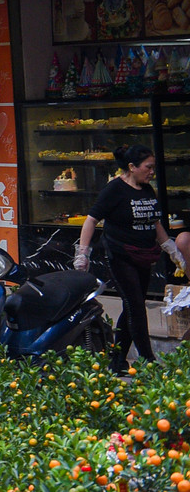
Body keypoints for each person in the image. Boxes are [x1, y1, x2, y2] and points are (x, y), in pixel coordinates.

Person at [77, 144, 187, 373]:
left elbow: (154, 222)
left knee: (131, 308)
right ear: (132, 167)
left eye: (153, 167)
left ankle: (117, 362)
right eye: (148, 167)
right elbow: (91, 220)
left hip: (144, 255)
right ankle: (148, 361)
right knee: (136, 307)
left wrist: (171, 249)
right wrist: (83, 253)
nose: (152, 172)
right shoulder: (114, 189)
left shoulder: (148, 190)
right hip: (121, 255)